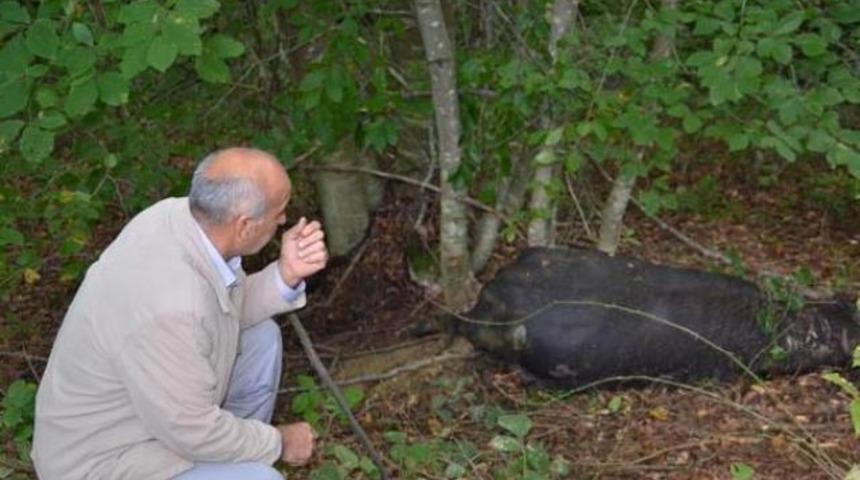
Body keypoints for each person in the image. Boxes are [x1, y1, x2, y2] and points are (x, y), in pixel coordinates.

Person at [32, 147, 327, 479]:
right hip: (102, 462)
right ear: (244, 225)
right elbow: (190, 428)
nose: (284, 220)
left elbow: (223, 310)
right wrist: (279, 442)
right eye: (279, 212)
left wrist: (285, 274)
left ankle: (233, 458)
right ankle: (240, 463)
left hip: (150, 422)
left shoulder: (176, 219)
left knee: (260, 338)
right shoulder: (172, 304)